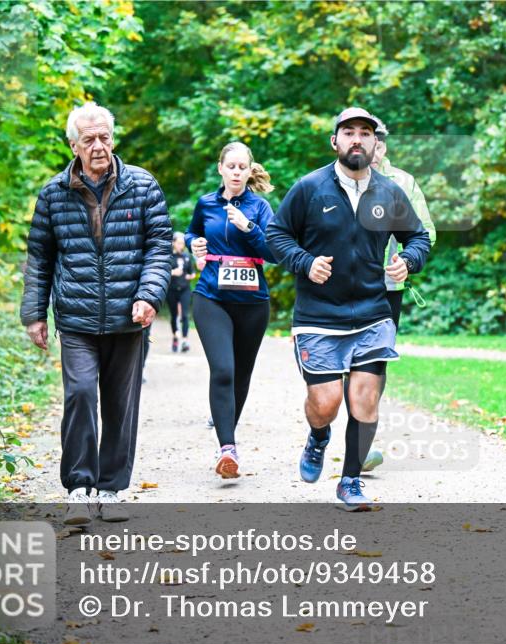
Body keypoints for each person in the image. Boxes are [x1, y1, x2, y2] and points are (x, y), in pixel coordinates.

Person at [266, 107, 431, 510]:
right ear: (335, 141)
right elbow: (276, 235)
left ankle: (351, 481)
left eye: (365, 133)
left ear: (375, 143)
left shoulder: (389, 192)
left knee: (365, 400)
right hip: (318, 316)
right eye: (349, 132)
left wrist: (408, 260)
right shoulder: (309, 188)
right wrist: (305, 262)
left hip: (373, 312)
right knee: (326, 404)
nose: (357, 139)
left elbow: (418, 238)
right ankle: (318, 436)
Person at [20, 102, 171, 525]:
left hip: (128, 317)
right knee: (81, 395)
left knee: (121, 404)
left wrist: (148, 295)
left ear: (113, 138)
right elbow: (40, 256)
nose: (99, 146)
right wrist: (34, 313)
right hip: (76, 318)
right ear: (74, 145)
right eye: (89, 139)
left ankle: (111, 488)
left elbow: (159, 246)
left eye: (105, 137)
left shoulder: (142, 185)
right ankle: (79, 488)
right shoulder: (54, 193)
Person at [185, 141, 277, 479]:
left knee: (241, 374)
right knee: (223, 369)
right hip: (211, 297)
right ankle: (228, 448)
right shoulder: (206, 203)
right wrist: (193, 243)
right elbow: (192, 232)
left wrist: (248, 227)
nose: (237, 172)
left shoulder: (260, 207)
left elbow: (274, 252)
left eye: (242, 167)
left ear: (250, 171)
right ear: (220, 169)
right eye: (231, 167)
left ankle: (228, 440)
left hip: (253, 303)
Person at [360, 114, 438, 473]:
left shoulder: (403, 182)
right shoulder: (339, 180)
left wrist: (406, 259)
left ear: (383, 145)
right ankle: (350, 425)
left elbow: (426, 232)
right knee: (346, 362)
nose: (371, 149)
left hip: (388, 287)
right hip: (345, 286)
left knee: (376, 360)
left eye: (376, 142)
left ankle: (362, 440)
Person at [167, 231, 196, 353]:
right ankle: (175, 337)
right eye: (179, 243)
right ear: (173, 243)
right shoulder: (168, 257)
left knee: (185, 315)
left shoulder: (187, 256)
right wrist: (172, 272)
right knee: (174, 315)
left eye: (183, 243)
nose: (181, 246)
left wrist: (191, 276)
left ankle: (184, 340)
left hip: (185, 289)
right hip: (172, 290)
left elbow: (192, 272)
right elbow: (162, 272)